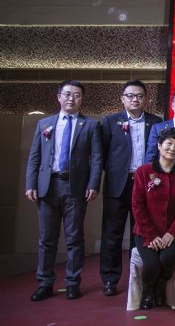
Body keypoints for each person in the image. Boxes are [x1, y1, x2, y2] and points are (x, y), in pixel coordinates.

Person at [26, 80, 102, 302]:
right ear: (58, 97)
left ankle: (72, 283)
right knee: (47, 239)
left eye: (77, 95)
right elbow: (35, 156)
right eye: (67, 94)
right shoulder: (44, 124)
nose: (71, 98)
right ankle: (45, 283)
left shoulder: (90, 125)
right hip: (47, 186)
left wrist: (93, 184)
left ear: (82, 99)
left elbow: (97, 158)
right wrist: (31, 184)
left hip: (75, 187)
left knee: (74, 238)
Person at [99, 80, 162, 296]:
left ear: (146, 99)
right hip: (118, 184)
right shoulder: (110, 121)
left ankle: (140, 279)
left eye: (140, 96)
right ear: (122, 99)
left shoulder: (155, 122)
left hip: (145, 184)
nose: (135, 99)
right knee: (112, 234)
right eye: (130, 96)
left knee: (142, 233)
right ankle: (110, 279)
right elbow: (101, 155)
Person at [130, 127, 175, 309]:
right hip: (146, 232)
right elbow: (137, 206)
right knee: (151, 265)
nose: (172, 148)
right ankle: (148, 291)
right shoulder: (143, 171)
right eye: (169, 143)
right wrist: (151, 235)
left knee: (167, 259)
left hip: (171, 233)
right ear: (159, 145)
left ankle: (161, 286)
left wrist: (173, 233)